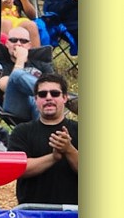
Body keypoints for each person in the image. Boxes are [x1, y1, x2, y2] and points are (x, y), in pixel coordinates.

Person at [8, 73, 78, 206]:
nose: (48, 97)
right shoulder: (21, 131)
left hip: (74, 213)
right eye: (42, 94)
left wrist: (69, 150)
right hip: (32, 212)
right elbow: (17, 169)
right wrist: (53, 157)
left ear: (64, 98)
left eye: (55, 93)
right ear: (35, 99)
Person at [0, 24, 53, 121]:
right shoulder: (0, 64)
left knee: (39, 99)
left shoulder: (40, 63)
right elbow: (6, 85)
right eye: (13, 40)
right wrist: (20, 60)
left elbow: (53, 84)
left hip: (41, 103)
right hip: (16, 106)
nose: (18, 44)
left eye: (23, 41)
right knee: (16, 75)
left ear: (29, 45)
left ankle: (43, 129)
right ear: (7, 44)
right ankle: (62, 96)